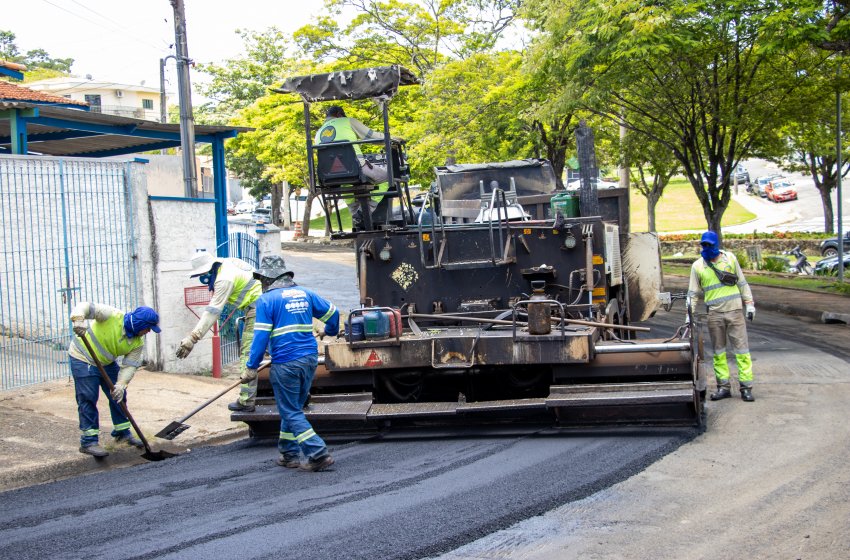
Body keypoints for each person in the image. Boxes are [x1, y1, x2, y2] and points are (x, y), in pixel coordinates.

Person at [243, 262, 340, 472]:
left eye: (262, 280)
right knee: (293, 406)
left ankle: (318, 453)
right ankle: (289, 454)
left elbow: (260, 337)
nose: (262, 284)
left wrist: (251, 366)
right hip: (309, 359)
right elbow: (334, 313)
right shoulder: (305, 294)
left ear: (269, 279)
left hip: (286, 362)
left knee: (290, 411)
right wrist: (331, 331)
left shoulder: (266, 300)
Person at [68, 302, 161, 457]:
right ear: (140, 324)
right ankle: (88, 442)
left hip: (106, 362)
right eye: (148, 328)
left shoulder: (137, 342)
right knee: (88, 397)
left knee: (119, 395)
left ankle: (122, 433)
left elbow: (129, 366)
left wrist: (121, 384)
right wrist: (78, 319)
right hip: (83, 357)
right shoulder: (111, 315)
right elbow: (85, 307)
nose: (148, 331)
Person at [175, 251, 262, 412]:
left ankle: (246, 401)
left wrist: (193, 338)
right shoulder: (228, 263)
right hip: (264, 305)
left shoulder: (224, 279)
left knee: (248, 354)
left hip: (258, 310)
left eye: (202, 275)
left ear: (209, 271)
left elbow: (213, 311)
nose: (203, 279)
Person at [687, 231, 756, 402]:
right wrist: (689, 314)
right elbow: (693, 293)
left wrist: (749, 303)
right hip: (715, 315)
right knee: (719, 352)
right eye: (704, 245)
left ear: (716, 244)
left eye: (709, 245)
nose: (706, 248)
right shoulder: (698, 266)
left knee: (742, 351)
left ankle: (746, 388)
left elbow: (742, 283)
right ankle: (723, 387)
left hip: (735, 312)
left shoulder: (730, 259)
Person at [315, 105, 397, 229]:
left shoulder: (319, 132)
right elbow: (371, 137)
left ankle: (355, 214)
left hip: (329, 176)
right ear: (339, 114)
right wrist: (392, 139)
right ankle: (364, 212)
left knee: (346, 183)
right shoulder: (347, 121)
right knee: (389, 176)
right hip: (357, 169)